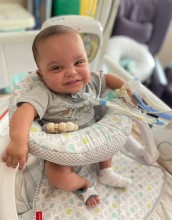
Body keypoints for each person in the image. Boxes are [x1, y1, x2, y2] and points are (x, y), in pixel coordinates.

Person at [2, 25, 133, 208]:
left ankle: (105, 170)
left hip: (94, 136)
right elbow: (24, 111)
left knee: (109, 145)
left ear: (87, 60)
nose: (72, 72)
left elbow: (109, 78)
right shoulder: (44, 93)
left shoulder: (90, 82)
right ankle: (83, 184)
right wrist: (18, 142)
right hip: (63, 149)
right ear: (41, 75)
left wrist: (127, 89)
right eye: (56, 68)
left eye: (79, 62)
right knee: (56, 175)